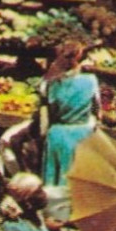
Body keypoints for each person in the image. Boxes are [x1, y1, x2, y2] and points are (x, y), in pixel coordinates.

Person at [40, 40, 101, 187]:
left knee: (54, 183)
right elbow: (98, 112)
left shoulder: (52, 84)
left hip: (58, 136)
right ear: (80, 59)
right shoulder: (91, 81)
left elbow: (50, 113)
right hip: (82, 136)